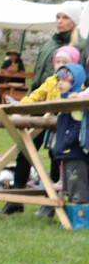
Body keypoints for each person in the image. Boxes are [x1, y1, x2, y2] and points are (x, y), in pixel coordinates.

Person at [0, 2, 83, 216]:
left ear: (74, 21)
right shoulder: (49, 43)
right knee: (24, 150)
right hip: (38, 102)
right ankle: (15, 199)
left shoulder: (81, 45)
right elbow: (39, 77)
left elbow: (81, 75)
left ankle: (50, 202)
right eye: (58, 16)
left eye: (65, 17)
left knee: (56, 153)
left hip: (62, 107)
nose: (60, 21)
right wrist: (27, 100)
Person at [51, 63, 89, 204]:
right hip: (66, 151)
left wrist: (67, 142)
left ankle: (81, 217)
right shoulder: (66, 101)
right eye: (58, 80)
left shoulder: (78, 102)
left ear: (75, 81)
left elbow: (78, 127)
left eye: (64, 80)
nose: (60, 83)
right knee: (69, 186)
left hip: (75, 151)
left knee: (78, 186)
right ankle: (72, 217)